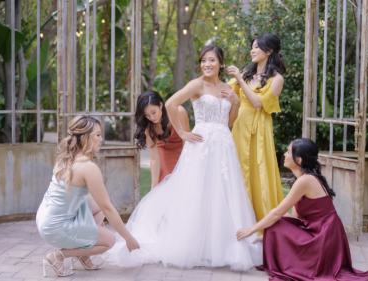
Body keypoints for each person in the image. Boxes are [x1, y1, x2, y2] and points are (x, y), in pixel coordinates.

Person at [102, 45, 262, 270]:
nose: (207, 64)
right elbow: (170, 104)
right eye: (204, 60)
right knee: (197, 193)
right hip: (202, 142)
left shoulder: (227, 87)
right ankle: (193, 246)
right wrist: (183, 133)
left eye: (212, 60)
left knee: (222, 193)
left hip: (224, 144)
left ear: (221, 63)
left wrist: (235, 102)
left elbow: (228, 122)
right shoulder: (197, 84)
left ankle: (220, 247)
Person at [236, 138, 368, 281]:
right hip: (319, 232)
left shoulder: (306, 180)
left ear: (299, 159)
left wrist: (251, 230)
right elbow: (295, 218)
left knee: (277, 219)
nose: (284, 154)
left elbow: (277, 213)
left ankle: (300, 265)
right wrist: (270, 234)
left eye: (288, 151)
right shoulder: (302, 180)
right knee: (278, 222)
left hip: (324, 238)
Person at [36, 115, 140, 277]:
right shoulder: (88, 167)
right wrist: (129, 238)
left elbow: (103, 206)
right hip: (56, 228)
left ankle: (84, 252)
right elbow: (108, 208)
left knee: (99, 206)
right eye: (97, 135)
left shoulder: (65, 157)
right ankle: (58, 256)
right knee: (109, 240)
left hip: (45, 218)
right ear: (85, 138)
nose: (101, 139)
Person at [226, 34, 285, 226]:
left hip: (259, 130)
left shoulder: (276, 79)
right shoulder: (245, 74)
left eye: (257, 47)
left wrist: (240, 80)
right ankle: (237, 221)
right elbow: (224, 93)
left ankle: (260, 223)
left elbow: (258, 102)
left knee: (258, 172)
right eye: (252, 47)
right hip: (240, 128)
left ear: (269, 51)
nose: (252, 50)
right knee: (237, 171)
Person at [135, 90, 189, 189]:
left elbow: (187, 144)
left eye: (153, 112)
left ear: (160, 105)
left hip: (185, 153)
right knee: (164, 187)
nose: (151, 117)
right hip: (163, 156)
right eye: (147, 115)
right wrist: (153, 187)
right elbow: (155, 158)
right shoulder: (148, 126)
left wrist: (185, 168)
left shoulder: (179, 112)